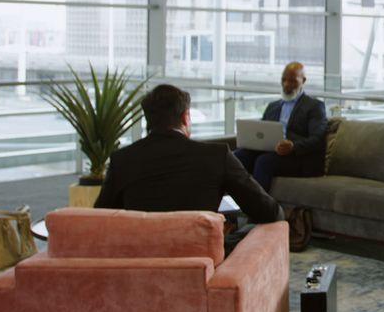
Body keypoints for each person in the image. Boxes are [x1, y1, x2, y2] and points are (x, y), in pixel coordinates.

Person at [95, 84, 283, 226]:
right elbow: (270, 213)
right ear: (185, 117)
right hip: (202, 260)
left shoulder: (122, 159)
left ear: (149, 120)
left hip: (140, 261)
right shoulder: (216, 155)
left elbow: (100, 218)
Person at [233, 61, 327, 191]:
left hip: (298, 157)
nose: (287, 85)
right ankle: (221, 206)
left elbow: (318, 140)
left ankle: (258, 208)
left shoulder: (314, 106)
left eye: (293, 81)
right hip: (272, 151)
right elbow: (262, 133)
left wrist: (293, 146)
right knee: (236, 157)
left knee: (264, 162)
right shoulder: (273, 106)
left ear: (303, 81)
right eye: (284, 80)